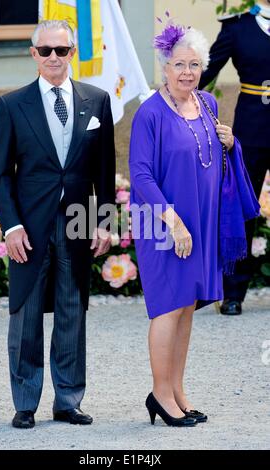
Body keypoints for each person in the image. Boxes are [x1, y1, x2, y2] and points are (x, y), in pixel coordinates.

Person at [129, 18, 259, 427]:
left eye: (195, 64)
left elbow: (215, 159)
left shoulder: (207, 104)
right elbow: (141, 174)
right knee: (167, 307)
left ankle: (177, 393)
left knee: (187, 308)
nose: (187, 72)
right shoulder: (150, 113)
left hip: (200, 222)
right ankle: (160, 394)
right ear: (165, 67)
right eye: (179, 64)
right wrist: (172, 221)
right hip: (166, 223)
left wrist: (229, 142)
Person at [0, 20, 115, 429]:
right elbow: (1, 175)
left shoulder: (96, 101)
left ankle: (68, 400)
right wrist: (11, 227)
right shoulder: (11, 105)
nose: (53, 58)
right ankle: (25, 402)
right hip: (29, 226)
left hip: (77, 224)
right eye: (45, 51)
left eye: (61, 51)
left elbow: (104, 168)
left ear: (72, 54)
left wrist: (105, 221)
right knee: (25, 315)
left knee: (71, 310)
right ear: (33, 54)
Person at [199, 1, 270, 315]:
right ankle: (233, 293)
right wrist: (170, 97)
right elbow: (205, 70)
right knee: (244, 204)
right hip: (253, 125)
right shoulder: (236, 26)